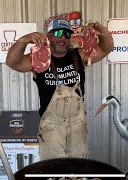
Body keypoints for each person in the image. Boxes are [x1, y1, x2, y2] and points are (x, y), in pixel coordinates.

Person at [6, 17, 114, 160]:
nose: (62, 38)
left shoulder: (79, 55)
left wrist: (104, 33)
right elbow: (12, 62)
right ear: (49, 36)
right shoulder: (39, 58)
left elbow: (107, 48)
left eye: (66, 34)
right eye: (57, 33)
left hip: (78, 126)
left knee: (77, 170)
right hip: (52, 128)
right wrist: (23, 41)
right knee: (53, 171)